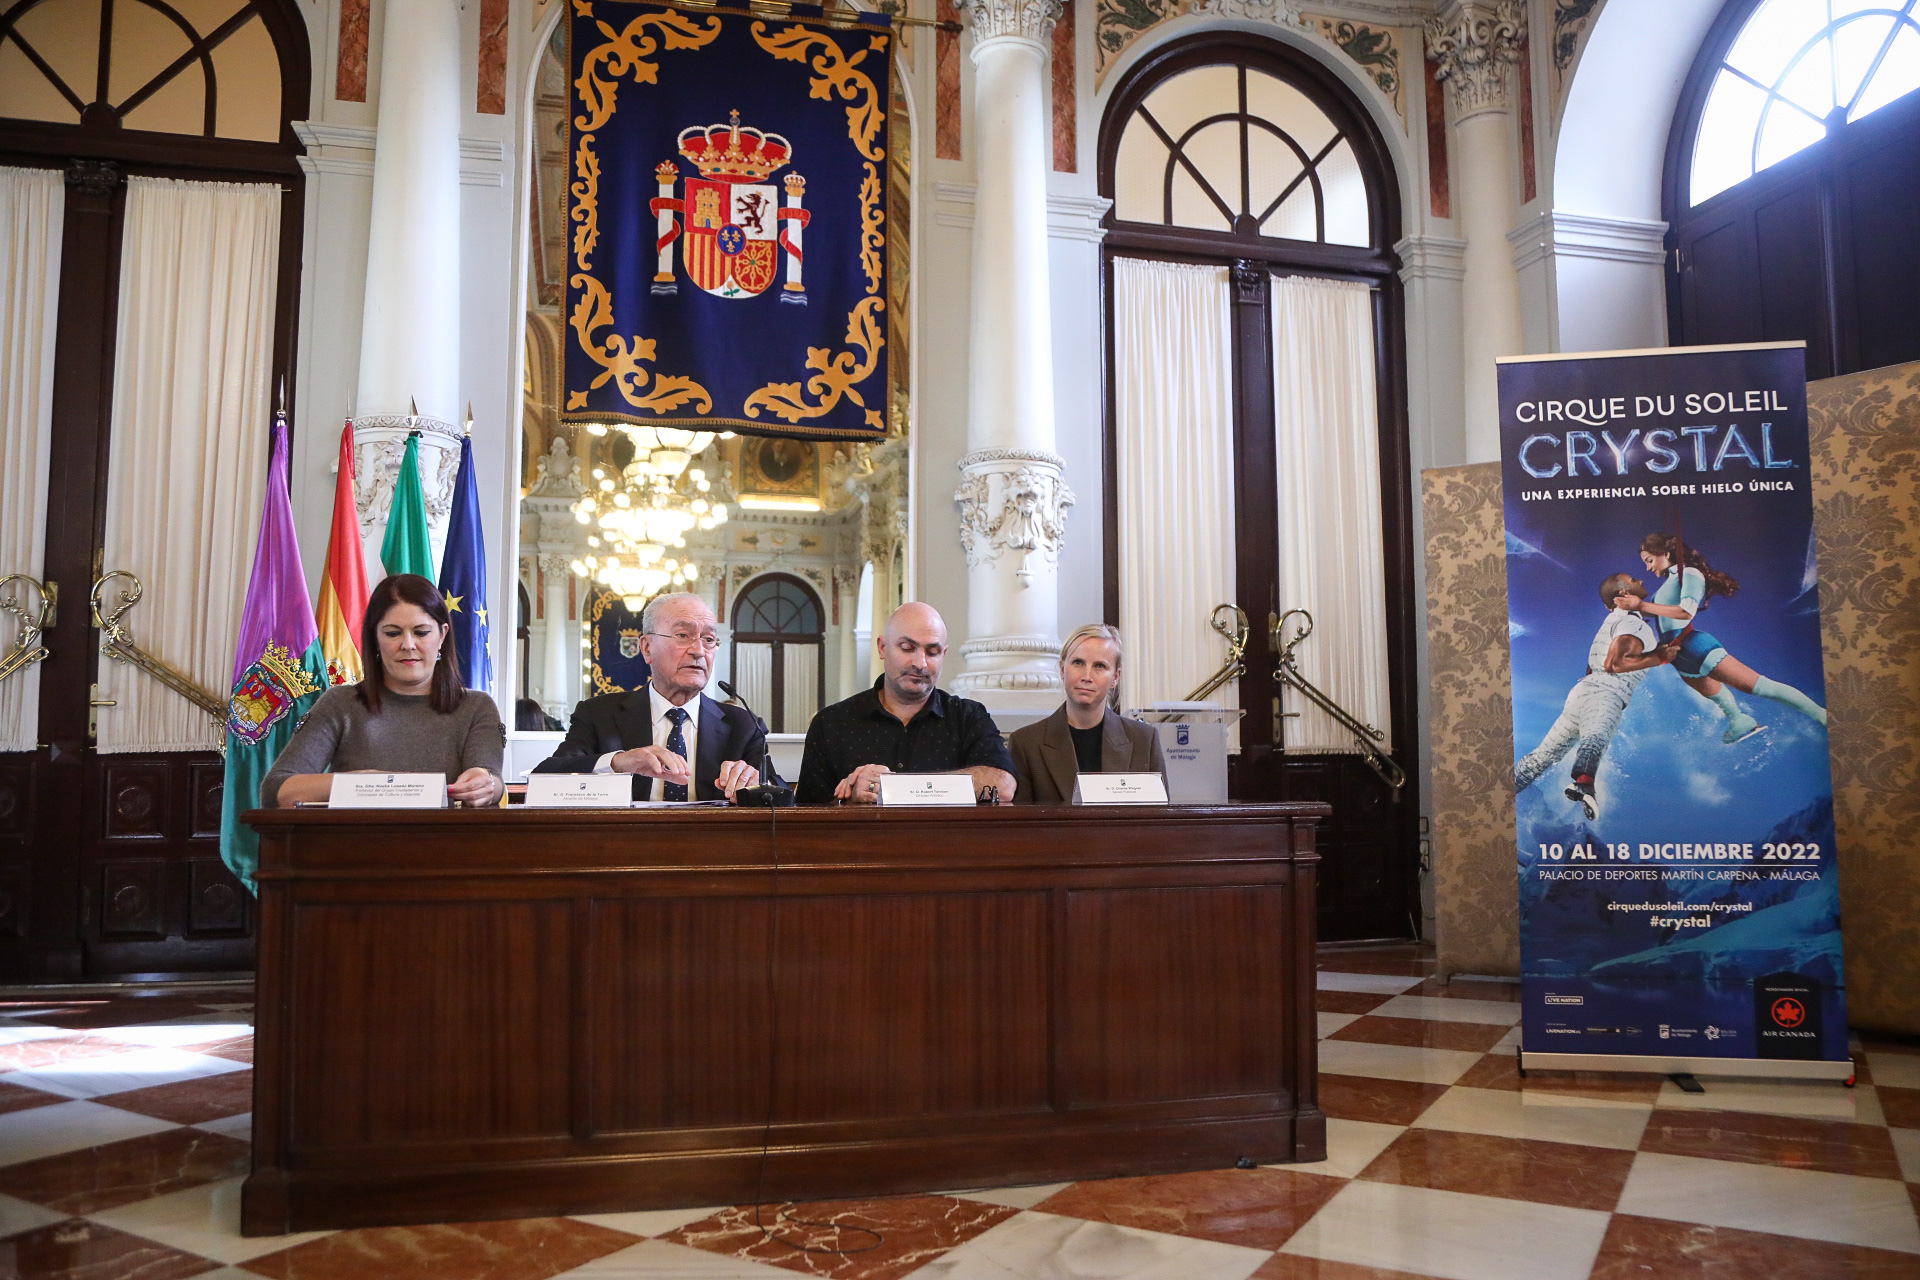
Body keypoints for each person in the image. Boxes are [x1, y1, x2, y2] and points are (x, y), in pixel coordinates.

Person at [263, 575, 505, 808]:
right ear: (375, 638)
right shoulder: (339, 703)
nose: (408, 645)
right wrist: (366, 783)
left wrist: (487, 785)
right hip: (355, 836)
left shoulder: (477, 707)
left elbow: (491, 782)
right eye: (392, 633)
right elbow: (277, 790)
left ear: (442, 635)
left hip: (446, 836)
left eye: (421, 633)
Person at [533, 591, 768, 801]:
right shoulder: (598, 714)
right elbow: (546, 777)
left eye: (708, 639)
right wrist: (617, 762)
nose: (698, 651)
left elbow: (777, 793)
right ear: (646, 648)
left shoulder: (744, 725)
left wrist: (756, 784)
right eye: (683, 635)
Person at [1614, 531, 1827, 743]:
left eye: (1649, 560)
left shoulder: (1689, 574)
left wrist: (1641, 606)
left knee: (1761, 686)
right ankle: (1739, 721)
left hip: (1695, 647)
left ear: (1666, 554)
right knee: (1721, 700)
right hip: (1680, 658)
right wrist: (1626, 606)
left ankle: (1822, 715)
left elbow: (1686, 612)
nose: (1648, 568)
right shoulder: (1668, 583)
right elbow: (1657, 611)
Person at [797, 602, 1016, 804]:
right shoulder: (831, 723)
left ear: (944, 654)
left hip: (945, 836)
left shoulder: (968, 717)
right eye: (907, 648)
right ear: (882, 648)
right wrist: (850, 800)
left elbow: (1003, 785)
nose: (920, 663)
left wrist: (894, 787)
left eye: (932, 652)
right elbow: (806, 814)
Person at [1515, 573, 1676, 821]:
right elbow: (1615, 663)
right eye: (1634, 580)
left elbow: (1595, 666)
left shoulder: (1613, 620)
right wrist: (1660, 658)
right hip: (1606, 693)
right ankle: (1583, 784)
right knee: (1596, 737)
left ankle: (1502, 790)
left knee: (1543, 756)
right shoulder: (1633, 624)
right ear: (1624, 594)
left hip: (1582, 693)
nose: (1641, 582)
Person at [1007, 624, 1164, 803]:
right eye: (1078, 663)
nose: (1087, 676)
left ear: (1115, 678)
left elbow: (1159, 816)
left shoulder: (1144, 740)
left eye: (1099, 666)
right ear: (1062, 670)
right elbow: (1021, 819)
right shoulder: (1026, 743)